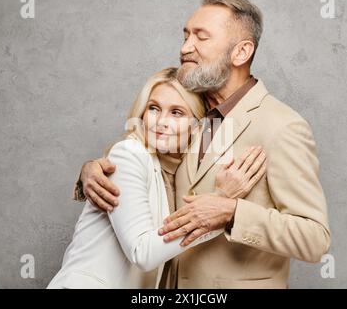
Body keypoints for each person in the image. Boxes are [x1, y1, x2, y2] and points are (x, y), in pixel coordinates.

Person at [74, 0, 331, 289]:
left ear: (240, 52)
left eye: (201, 37)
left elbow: (314, 238)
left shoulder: (283, 126)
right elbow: (147, 168)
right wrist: (90, 171)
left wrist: (232, 213)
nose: (185, 48)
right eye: (185, 35)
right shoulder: (189, 110)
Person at [48, 68, 266, 288]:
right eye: (154, 108)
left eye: (177, 113)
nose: (161, 121)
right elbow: (142, 252)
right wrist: (220, 201)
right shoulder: (129, 154)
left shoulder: (174, 173)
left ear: (196, 126)